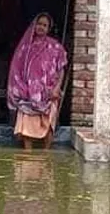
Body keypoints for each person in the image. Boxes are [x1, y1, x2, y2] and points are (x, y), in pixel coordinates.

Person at [7, 13, 68, 150]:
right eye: (39, 24)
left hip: (49, 92)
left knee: (49, 125)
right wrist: (22, 88)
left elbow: (61, 69)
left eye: (44, 25)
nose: (41, 27)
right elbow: (16, 69)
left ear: (49, 28)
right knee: (27, 127)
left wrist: (57, 88)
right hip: (28, 92)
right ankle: (27, 154)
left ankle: (46, 155)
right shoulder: (25, 48)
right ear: (34, 25)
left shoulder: (55, 47)